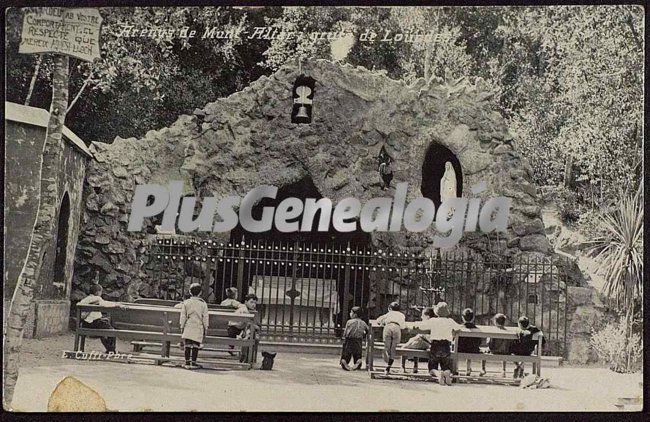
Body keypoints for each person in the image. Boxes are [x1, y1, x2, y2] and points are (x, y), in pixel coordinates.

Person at [77, 284, 124, 353]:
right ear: (97, 292)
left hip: (85, 324)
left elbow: (79, 306)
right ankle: (111, 349)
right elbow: (105, 304)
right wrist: (117, 304)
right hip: (95, 323)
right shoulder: (97, 298)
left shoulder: (85, 299)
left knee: (104, 328)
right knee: (112, 331)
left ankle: (110, 349)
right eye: (100, 292)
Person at [426, 302, 460, 386]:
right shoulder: (450, 321)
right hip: (446, 346)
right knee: (446, 365)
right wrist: (454, 333)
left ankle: (437, 374)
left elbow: (423, 325)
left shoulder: (433, 320)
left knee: (432, 366)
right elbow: (458, 327)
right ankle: (447, 372)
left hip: (435, 345)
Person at [179, 283, 210, 369]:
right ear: (200, 293)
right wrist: (206, 327)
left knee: (187, 344)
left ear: (189, 292)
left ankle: (187, 362)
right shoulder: (203, 304)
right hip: (198, 326)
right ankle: (193, 362)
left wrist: (182, 326)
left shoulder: (186, 303)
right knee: (196, 344)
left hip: (188, 325)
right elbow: (205, 317)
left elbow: (183, 316)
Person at [401, 307, 436, 373]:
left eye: (423, 315)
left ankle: (402, 366)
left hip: (422, 341)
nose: (421, 317)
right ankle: (415, 366)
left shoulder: (425, 323)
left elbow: (414, 325)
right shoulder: (434, 322)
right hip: (429, 344)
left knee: (403, 348)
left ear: (427, 317)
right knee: (416, 345)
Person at [376, 301, 405, 374]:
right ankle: (389, 366)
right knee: (394, 347)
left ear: (389, 308)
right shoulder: (402, 315)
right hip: (397, 327)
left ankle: (386, 360)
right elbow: (403, 325)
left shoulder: (389, 313)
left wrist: (382, 323)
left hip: (388, 326)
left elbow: (378, 320)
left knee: (387, 346)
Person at [228, 294, 259, 363]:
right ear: (246, 302)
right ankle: (246, 357)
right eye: (251, 302)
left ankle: (246, 356)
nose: (253, 305)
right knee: (249, 336)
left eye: (255, 303)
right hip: (234, 330)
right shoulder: (244, 311)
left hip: (237, 329)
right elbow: (248, 323)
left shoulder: (245, 309)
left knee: (250, 335)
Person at [480, 313, 512, 377]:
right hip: (504, 351)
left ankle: (483, 369)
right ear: (504, 322)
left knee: (483, 352)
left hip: (494, 351)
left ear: (495, 322)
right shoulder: (508, 331)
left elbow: (489, 343)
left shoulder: (493, 330)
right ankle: (503, 369)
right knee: (504, 350)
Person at [340, 306, 369, 371]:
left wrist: (344, 337)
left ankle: (345, 362)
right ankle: (358, 362)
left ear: (355, 314)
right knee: (357, 353)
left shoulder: (349, 322)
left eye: (351, 312)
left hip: (349, 340)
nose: (350, 313)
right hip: (358, 340)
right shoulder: (363, 323)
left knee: (347, 353)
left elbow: (345, 332)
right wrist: (363, 334)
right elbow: (368, 330)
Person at [456, 308, 482, 376]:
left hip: (460, 349)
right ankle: (468, 369)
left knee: (459, 347)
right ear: (473, 318)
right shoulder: (477, 329)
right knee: (470, 345)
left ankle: (456, 368)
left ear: (462, 318)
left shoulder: (459, 327)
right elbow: (479, 341)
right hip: (473, 350)